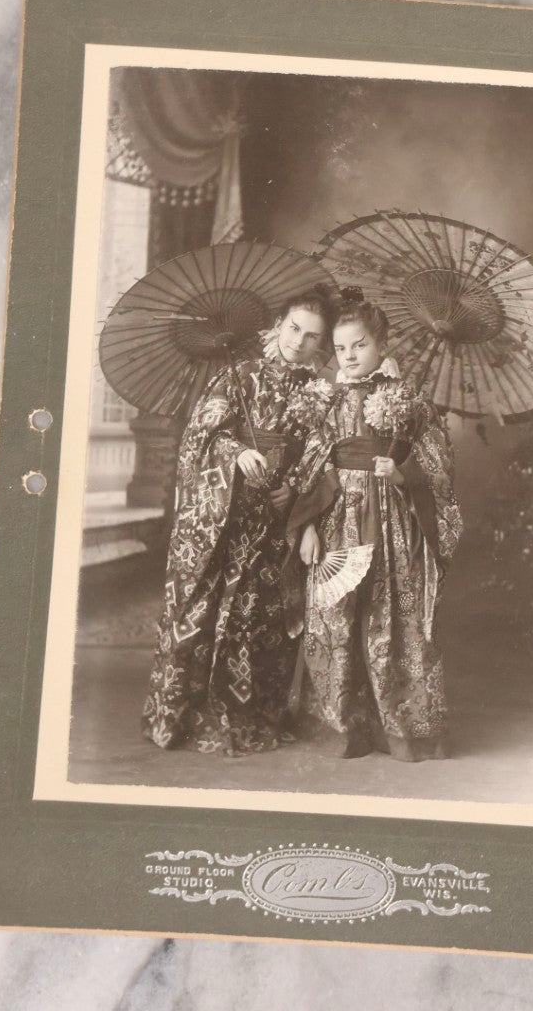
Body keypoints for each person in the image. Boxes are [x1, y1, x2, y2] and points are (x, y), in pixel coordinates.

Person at [142, 287, 336, 756]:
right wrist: (236, 451)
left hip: (273, 519)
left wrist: (293, 488)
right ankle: (186, 714)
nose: (298, 342)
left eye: (312, 337)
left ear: (322, 345)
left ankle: (252, 713)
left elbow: (320, 454)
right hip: (224, 519)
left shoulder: (319, 393)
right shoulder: (239, 376)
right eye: (293, 328)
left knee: (259, 616)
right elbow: (198, 439)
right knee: (206, 610)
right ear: (277, 325)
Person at [288, 290, 463, 761]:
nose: (349, 356)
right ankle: (342, 726)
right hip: (337, 515)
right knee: (336, 616)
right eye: (341, 349)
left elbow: (439, 461)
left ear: (381, 344)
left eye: (360, 345)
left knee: (392, 615)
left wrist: (403, 473)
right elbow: (311, 465)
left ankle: (404, 728)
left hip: (390, 519)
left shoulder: (406, 399)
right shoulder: (326, 401)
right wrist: (307, 527)